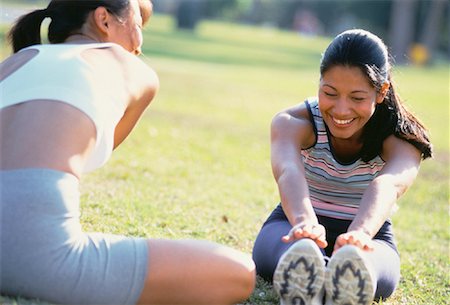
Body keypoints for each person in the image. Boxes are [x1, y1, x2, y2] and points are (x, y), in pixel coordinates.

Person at [0, 1, 256, 304]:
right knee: (239, 272)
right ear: (104, 19)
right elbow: (90, 157)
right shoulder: (132, 68)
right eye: (139, 23)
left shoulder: (17, 61)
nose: (140, 42)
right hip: (35, 260)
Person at [252, 29, 432, 305]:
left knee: (369, 266)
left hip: (369, 234)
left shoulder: (402, 137)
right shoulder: (292, 122)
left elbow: (387, 185)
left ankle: (346, 274)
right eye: (330, 93)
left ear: (381, 91)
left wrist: (359, 235)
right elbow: (288, 171)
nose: (341, 110)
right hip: (295, 223)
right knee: (289, 250)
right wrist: (304, 224)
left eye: (357, 98)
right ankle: (305, 265)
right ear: (319, 83)